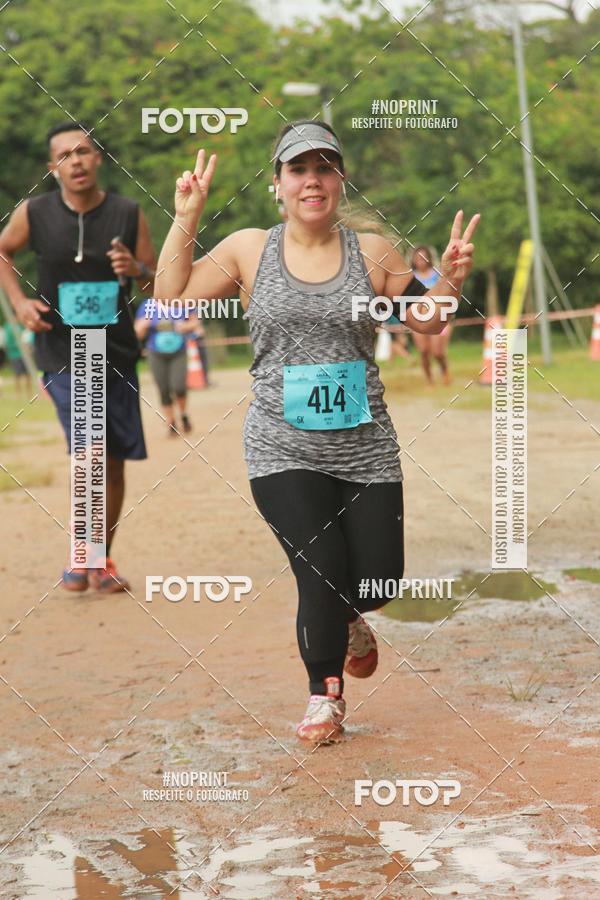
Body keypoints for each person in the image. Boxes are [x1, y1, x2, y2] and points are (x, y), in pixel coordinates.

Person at [154, 120, 479, 743]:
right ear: (278, 184)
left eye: (324, 168)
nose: (312, 180)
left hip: (364, 444)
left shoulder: (373, 251)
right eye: (298, 169)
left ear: (339, 180)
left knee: (380, 580)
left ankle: (355, 616)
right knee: (319, 571)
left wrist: (451, 279)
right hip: (281, 444)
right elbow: (170, 298)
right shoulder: (249, 249)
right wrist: (187, 215)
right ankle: (323, 696)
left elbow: (426, 322)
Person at [0, 122, 157, 593]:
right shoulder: (34, 212)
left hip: (117, 350)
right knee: (89, 449)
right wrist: (19, 302)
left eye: (84, 151)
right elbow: (3, 250)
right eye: (65, 155)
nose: (76, 160)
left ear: (97, 159)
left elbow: (157, 284)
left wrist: (137, 269)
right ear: (53, 168)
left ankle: (101, 559)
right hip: (62, 348)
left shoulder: (129, 213)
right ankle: (81, 556)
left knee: (113, 458)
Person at [135, 300, 198, 435]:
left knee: (179, 386)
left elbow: (195, 323)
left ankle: (183, 414)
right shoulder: (146, 306)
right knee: (163, 389)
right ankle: (171, 422)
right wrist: (143, 325)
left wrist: (184, 326)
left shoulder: (182, 302)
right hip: (155, 353)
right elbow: (138, 333)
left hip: (178, 351)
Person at [410, 244, 454, 385]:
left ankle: (444, 370)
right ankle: (429, 380)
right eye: (418, 257)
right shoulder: (410, 276)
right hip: (417, 318)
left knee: (437, 352)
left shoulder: (438, 274)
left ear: (429, 258)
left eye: (424, 257)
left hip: (437, 317)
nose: (421, 260)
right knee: (423, 351)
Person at [3, 320, 32, 393]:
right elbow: (7, 342)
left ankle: (29, 392)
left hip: (24, 354)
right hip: (15, 354)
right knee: (17, 374)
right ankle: (18, 392)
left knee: (27, 373)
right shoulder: (8, 327)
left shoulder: (20, 325)